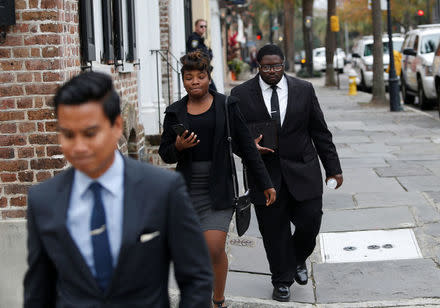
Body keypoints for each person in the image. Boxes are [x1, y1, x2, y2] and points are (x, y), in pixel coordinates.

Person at [23, 71, 213, 307]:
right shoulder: (43, 200)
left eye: (90, 133)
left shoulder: (163, 190)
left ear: (116, 126)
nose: (79, 147)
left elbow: (196, 278)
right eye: (68, 135)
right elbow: (38, 293)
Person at [159, 51, 276, 308]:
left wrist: (266, 183)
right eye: (188, 77)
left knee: (213, 247)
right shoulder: (174, 112)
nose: (195, 82)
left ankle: (218, 300)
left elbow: (246, 147)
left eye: (200, 76)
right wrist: (178, 146)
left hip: (219, 187)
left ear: (208, 77)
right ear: (183, 80)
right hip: (187, 190)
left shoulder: (226, 105)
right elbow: (165, 154)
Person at [230, 44, 343, 302]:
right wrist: (249, 147)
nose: (272, 71)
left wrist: (333, 169)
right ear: (258, 66)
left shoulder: (304, 89)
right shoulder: (240, 94)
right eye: (267, 66)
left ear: (284, 64)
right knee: (273, 232)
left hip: (304, 170)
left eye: (277, 65)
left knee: (310, 222)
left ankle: (297, 258)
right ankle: (281, 280)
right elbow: (232, 137)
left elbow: (320, 132)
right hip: (264, 175)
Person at [186, 19, 217, 92]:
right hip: (200, 69)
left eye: (205, 26)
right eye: (201, 26)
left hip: (204, 70)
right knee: (213, 91)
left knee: (211, 92)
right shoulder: (194, 39)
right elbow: (193, 53)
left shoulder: (200, 39)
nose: (204, 28)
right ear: (196, 27)